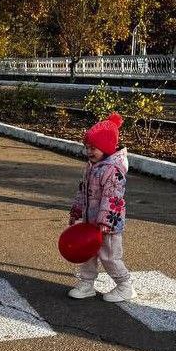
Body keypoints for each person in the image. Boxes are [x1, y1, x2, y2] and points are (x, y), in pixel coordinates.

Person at [68, 112, 134, 302]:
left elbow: (113, 197)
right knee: (88, 253)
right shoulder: (92, 166)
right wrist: (77, 210)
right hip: (90, 221)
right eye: (87, 147)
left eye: (94, 148)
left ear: (106, 147)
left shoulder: (113, 170)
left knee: (109, 256)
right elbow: (83, 190)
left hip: (108, 225)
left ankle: (125, 286)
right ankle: (87, 284)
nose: (89, 151)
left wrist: (106, 221)